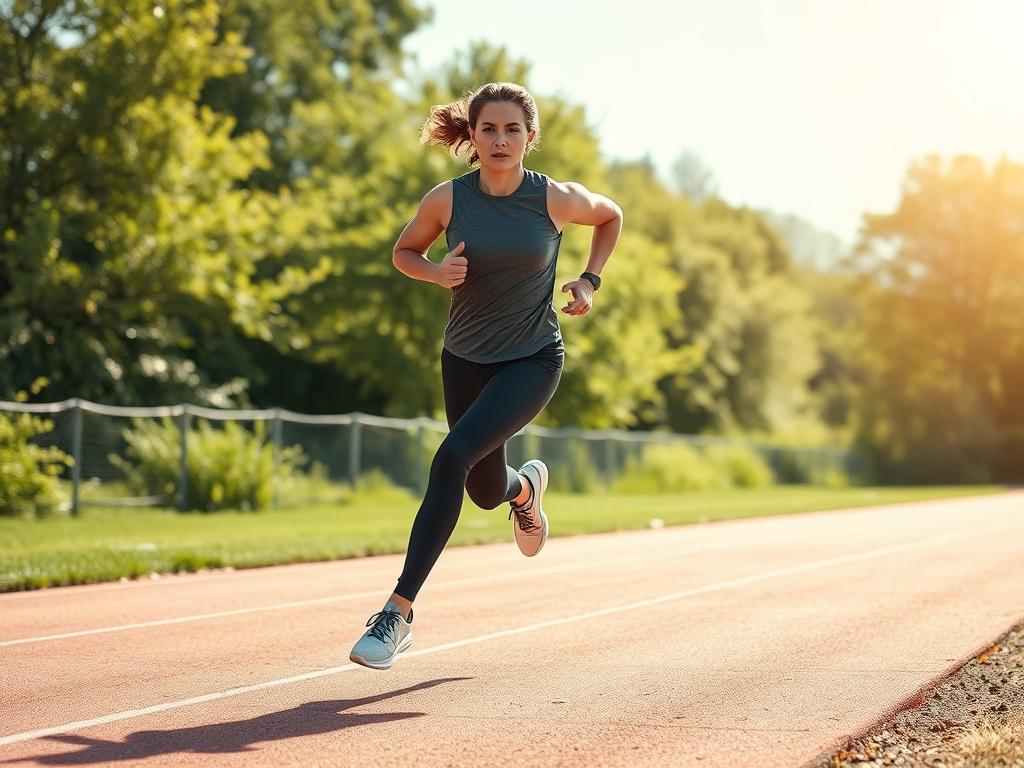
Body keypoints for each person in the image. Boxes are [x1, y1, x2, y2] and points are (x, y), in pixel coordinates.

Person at [349, 82, 623, 670]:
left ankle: (396, 613)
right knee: (480, 488)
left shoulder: (554, 200)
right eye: (489, 129)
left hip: (531, 359)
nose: (500, 140)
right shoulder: (447, 199)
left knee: (449, 458)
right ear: (471, 136)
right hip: (465, 359)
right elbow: (404, 253)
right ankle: (524, 492)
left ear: (530, 137)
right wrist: (435, 272)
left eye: (512, 130)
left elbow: (611, 216)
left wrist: (588, 280)